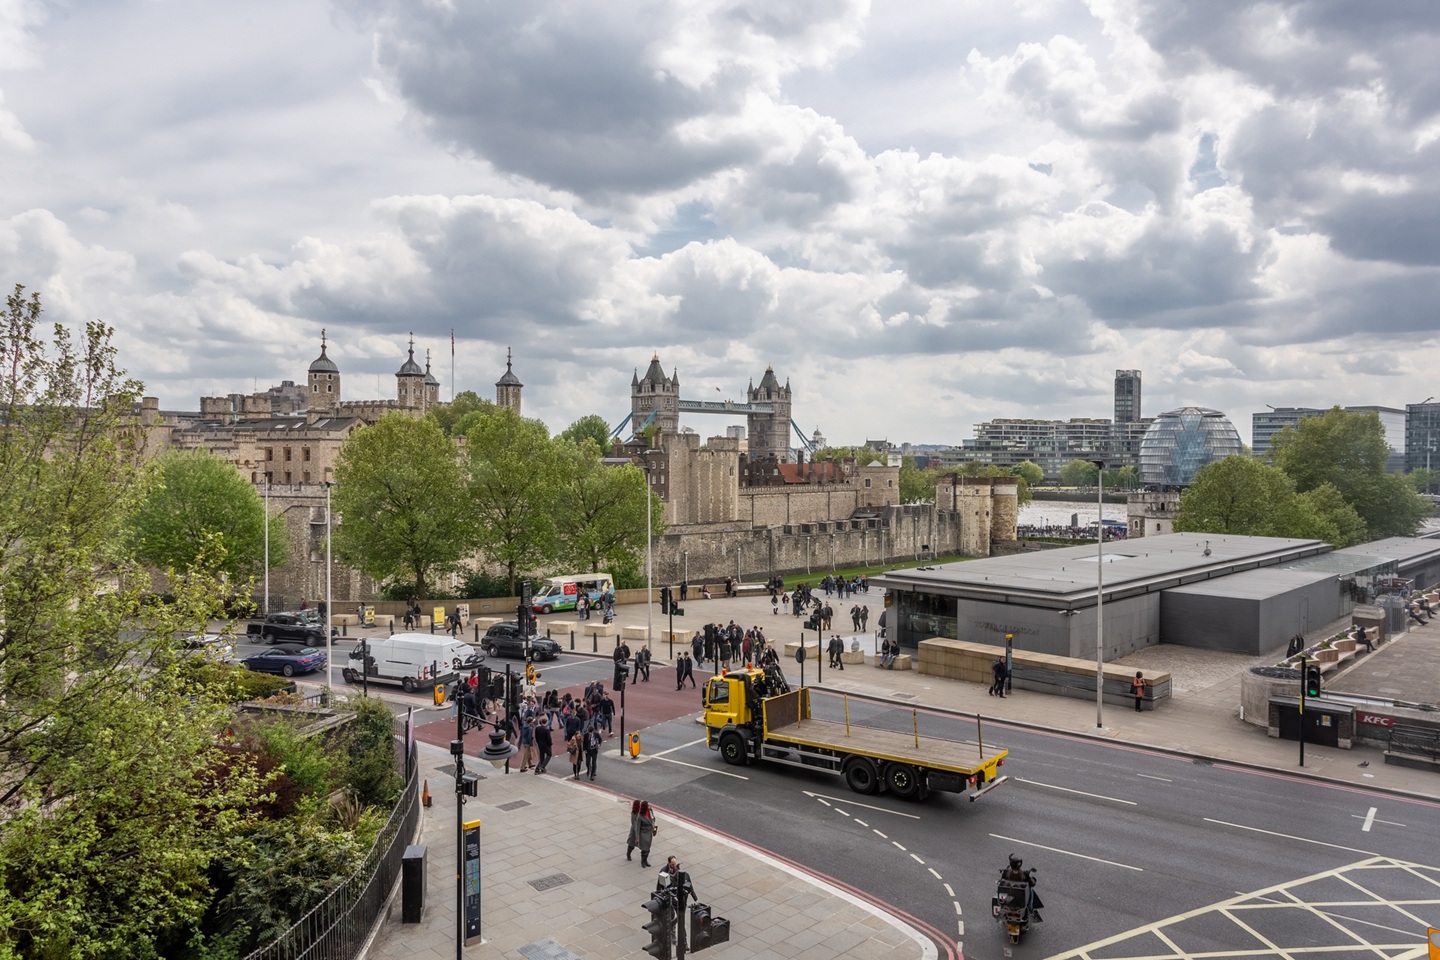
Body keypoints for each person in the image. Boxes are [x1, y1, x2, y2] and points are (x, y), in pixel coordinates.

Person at [1000, 854, 1042, 920]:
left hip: (1008, 897)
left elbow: (1001, 881)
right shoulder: (1024, 875)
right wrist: (1033, 880)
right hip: (1021, 898)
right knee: (1031, 890)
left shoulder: (1006, 873)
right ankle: (1030, 909)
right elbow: (1032, 883)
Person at [627, 800, 657, 867]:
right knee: (641, 848)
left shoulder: (649, 812)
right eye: (648, 805)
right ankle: (641, 861)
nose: (649, 807)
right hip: (643, 834)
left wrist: (652, 812)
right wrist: (637, 837)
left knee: (647, 849)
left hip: (649, 833)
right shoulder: (640, 816)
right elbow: (636, 826)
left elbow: (653, 820)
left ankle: (645, 860)